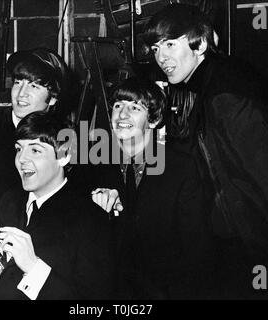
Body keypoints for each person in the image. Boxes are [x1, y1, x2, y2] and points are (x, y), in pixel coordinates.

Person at [143, 3, 268, 298]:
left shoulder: (225, 92)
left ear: (200, 43)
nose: (161, 57)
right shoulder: (210, 84)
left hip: (259, 247)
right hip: (240, 245)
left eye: (170, 44)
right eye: (154, 48)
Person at [72, 77, 216, 299]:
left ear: (154, 119)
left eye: (134, 107)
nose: (122, 115)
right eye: (118, 106)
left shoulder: (181, 168)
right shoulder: (88, 165)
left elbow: (196, 252)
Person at [0, 111, 115, 300]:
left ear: (64, 156)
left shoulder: (90, 218)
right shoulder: (9, 201)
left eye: (35, 150)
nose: (22, 159)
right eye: (18, 149)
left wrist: (33, 267)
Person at [0, 47, 70, 222]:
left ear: (53, 97)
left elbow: (82, 187)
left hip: (50, 241)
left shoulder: (66, 134)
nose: (21, 94)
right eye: (18, 82)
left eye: (33, 85)